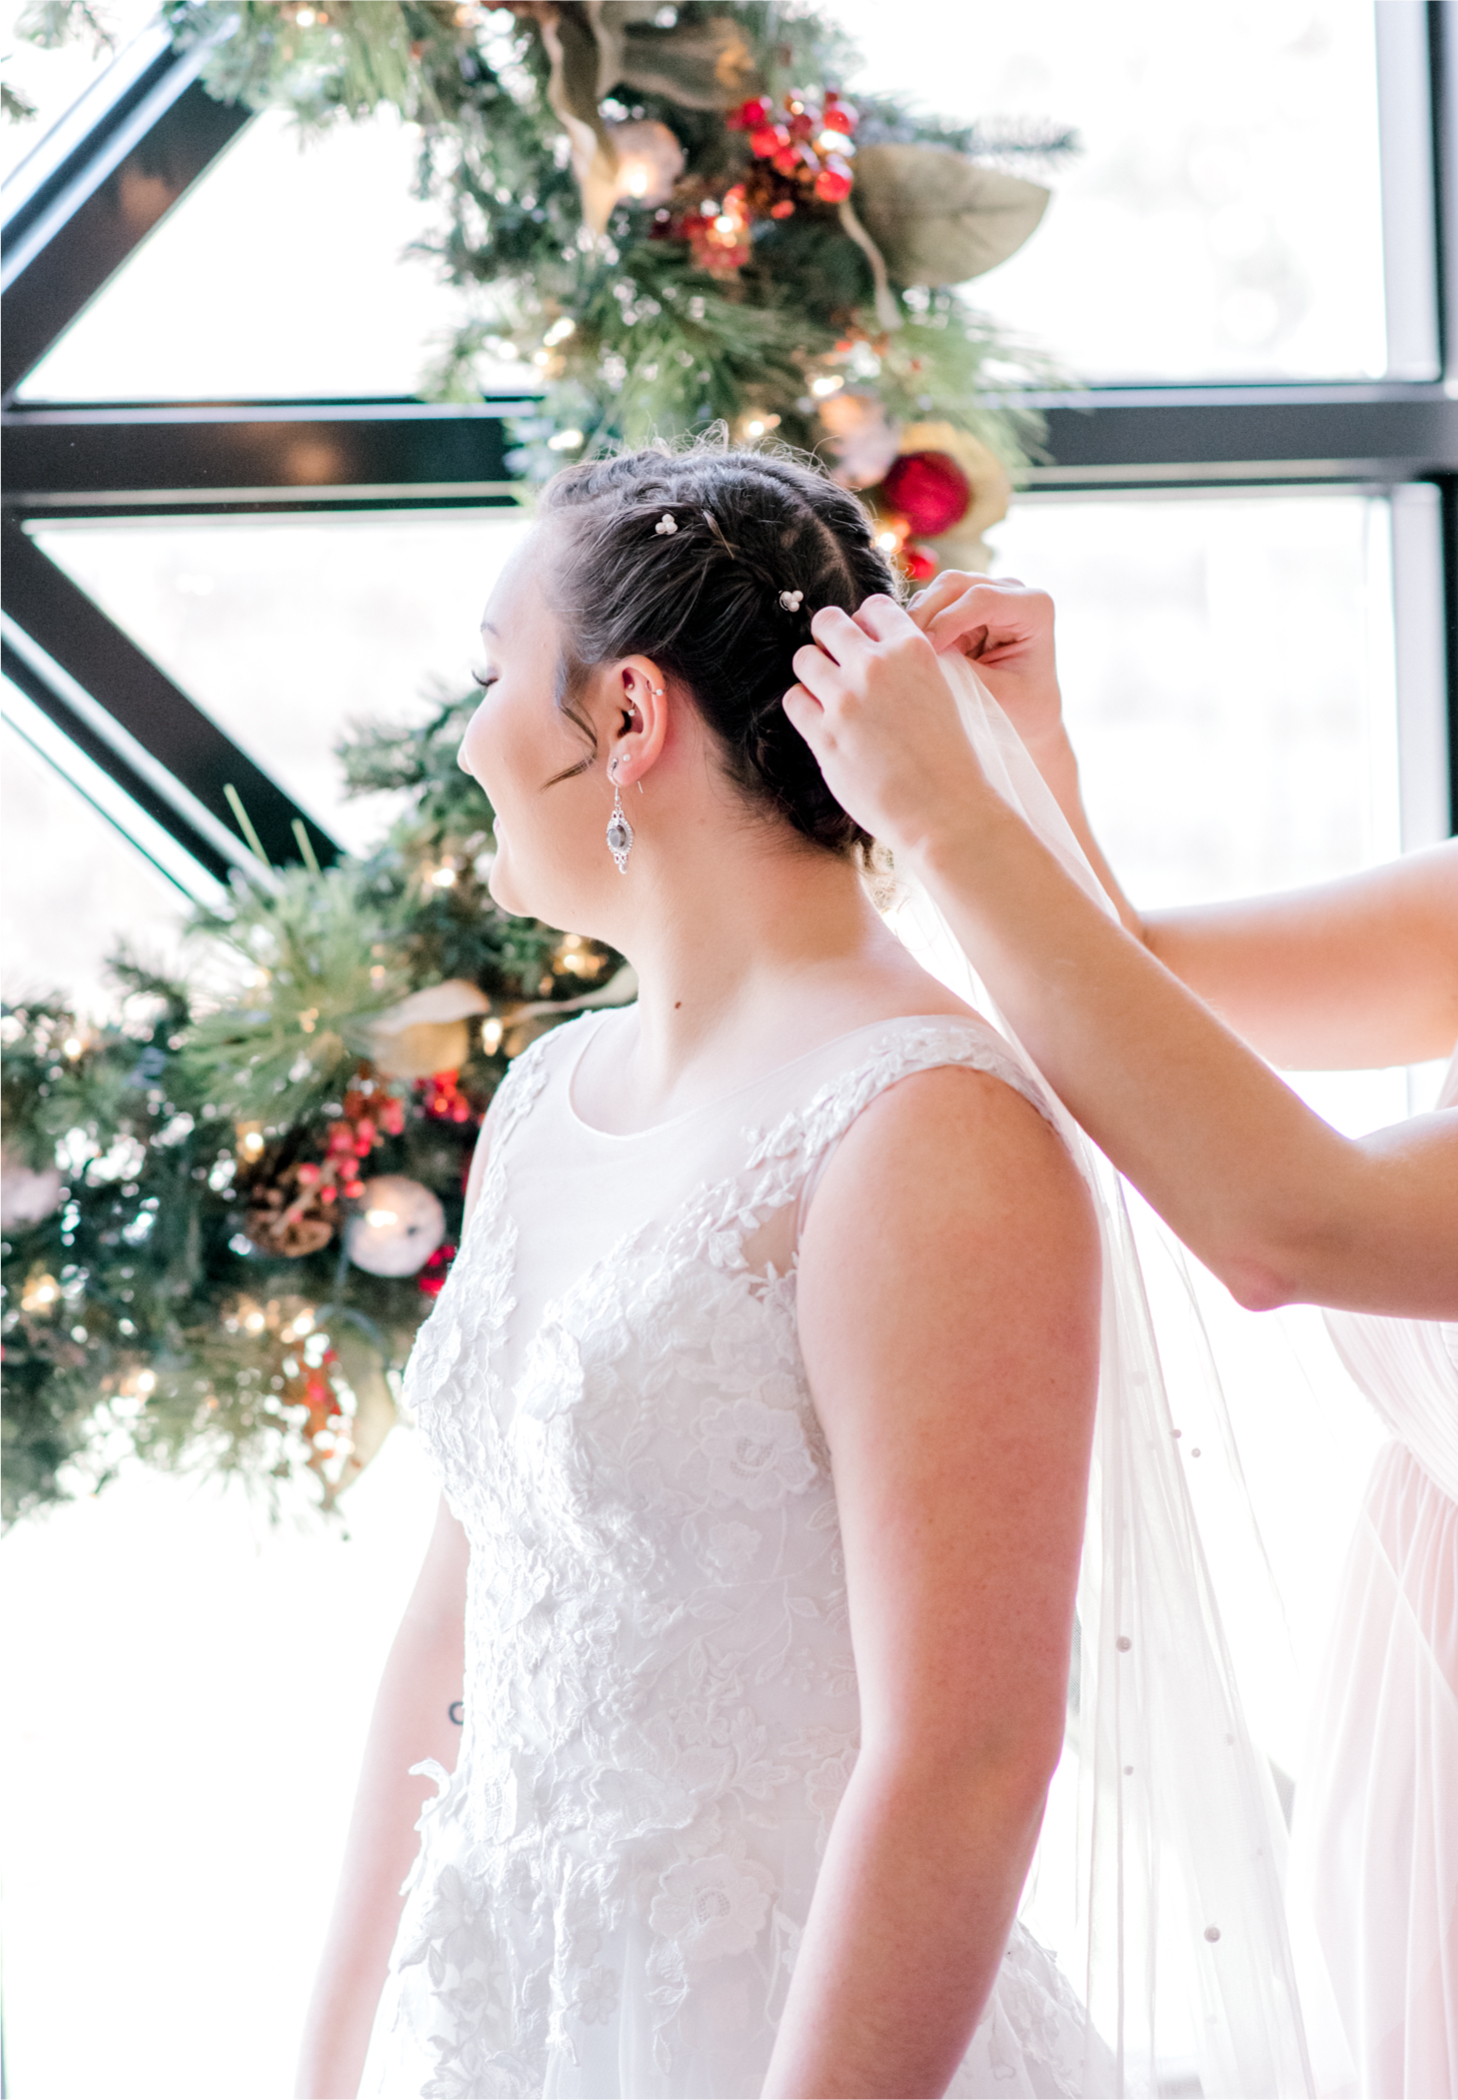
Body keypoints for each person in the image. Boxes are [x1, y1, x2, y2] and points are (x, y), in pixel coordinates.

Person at [295, 446, 1113, 2100]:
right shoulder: (545, 1097)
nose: (467, 738)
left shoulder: (921, 1125)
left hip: (796, 2033)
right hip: (516, 2020)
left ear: (629, 719)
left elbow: (966, 1757)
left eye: (493, 674)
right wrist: (324, 2065)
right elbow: (454, 1636)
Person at [783, 572, 1458, 2100]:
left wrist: (946, 822)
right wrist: (1024, 775)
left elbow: (1291, 1220)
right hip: (1442, 1777)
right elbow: (1159, 1007)